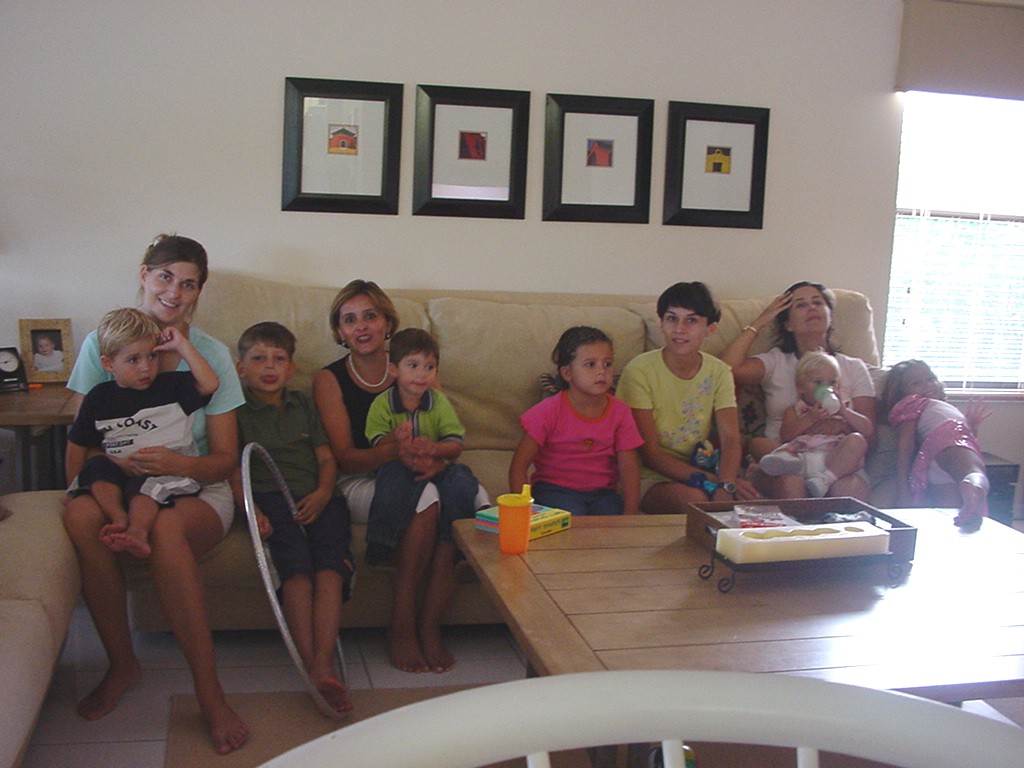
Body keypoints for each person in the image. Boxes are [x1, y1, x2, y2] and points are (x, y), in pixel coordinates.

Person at [63, 234, 249, 754]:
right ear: (144, 275)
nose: (175, 292)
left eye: (189, 284)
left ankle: (209, 693)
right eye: (166, 277)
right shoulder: (104, 343)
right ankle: (121, 665)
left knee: (165, 526)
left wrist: (176, 465)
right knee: (80, 518)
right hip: (122, 478)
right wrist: (79, 490)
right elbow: (83, 435)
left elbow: (224, 459)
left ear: (199, 292)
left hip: (195, 484)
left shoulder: (209, 355)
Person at [312, 280, 475, 674]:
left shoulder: (414, 364)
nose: (362, 327)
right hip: (362, 476)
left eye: (370, 316)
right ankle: (402, 624)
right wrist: (396, 451)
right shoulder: (328, 379)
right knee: (426, 500)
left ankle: (429, 623)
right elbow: (346, 459)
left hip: (420, 467)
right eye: (350, 320)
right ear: (339, 331)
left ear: (388, 322)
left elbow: (443, 429)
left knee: (459, 496)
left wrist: (435, 462)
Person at [230, 321, 354, 713]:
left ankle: (324, 663)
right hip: (271, 499)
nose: (269, 366)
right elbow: (232, 468)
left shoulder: (303, 405)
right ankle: (313, 665)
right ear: (240, 368)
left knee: (330, 566)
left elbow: (326, 459)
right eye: (258, 358)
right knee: (296, 569)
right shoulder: (236, 411)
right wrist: (252, 510)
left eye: (278, 358)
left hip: (319, 498)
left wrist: (322, 493)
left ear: (291, 368)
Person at [363, 327, 487, 672]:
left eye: (429, 367)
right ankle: (382, 548)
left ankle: (432, 619)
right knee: (396, 482)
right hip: (398, 470)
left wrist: (435, 450)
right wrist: (396, 441)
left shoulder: (439, 402)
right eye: (413, 365)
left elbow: (455, 444)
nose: (421, 374)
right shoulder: (382, 403)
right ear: (393, 370)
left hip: (438, 467)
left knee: (462, 482)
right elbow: (376, 444)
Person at [66, 308, 219, 559]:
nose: (146, 368)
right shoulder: (99, 397)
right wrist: (72, 491)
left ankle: (137, 531)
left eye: (152, 356)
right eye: (133, 360)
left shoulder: (172, 386)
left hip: (170, 470)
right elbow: (77, 445)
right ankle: (119, 518)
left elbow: (210, 383)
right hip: (120, 470)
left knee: (145, 484)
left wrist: (182, 345)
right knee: (95, 466)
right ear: (108, 364)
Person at [719, 281, 877, 500]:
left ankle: (825, 482)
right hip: (787, 458)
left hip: (837, 459)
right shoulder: (776, 361)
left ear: (830, 316)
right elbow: (725, 369)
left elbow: (869, 434)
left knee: (849, 491)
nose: (811, 308)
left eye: (817, 302)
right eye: (801, 305)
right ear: (788, 324)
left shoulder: (853, 367)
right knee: (791, 483)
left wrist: (839, 422)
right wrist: (761, 321)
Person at [617, 282, 758, 514]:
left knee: (746, 502)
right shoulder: (639, 371)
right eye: (672, 319)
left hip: (702, 466)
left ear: (710, 329)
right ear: (662, 322)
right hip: (648, 476)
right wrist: (715, 481)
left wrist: (727, 482)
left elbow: (731, 437)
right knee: (694, 501)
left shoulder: (719, 371)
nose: (679, 329)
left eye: (691, 320)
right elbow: (650, 455)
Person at [509, 326, 643, 515]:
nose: (601, 371)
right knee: (573, 515)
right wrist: (523, 512)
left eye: (607, 364)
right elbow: (519, 466)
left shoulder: (621, 412)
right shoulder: (547, 411)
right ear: (567, 373)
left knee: (611, 516)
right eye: (590, 364)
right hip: (553, 490)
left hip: (602, 493)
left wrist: (630, 514)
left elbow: (629, 467)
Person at [882, 359, 990, 530]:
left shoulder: (939, 406)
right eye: (916, 383)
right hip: (949, 436)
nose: (927, 385)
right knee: (972, 472)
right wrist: (903, 489)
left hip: (934, 458)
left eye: (930, 379)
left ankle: (964, 517)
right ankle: (974, 487)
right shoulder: (912, 403)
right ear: (901, 392)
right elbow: (905, 445)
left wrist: (971, 426)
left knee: (948, 516)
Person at [758, 350, 870, 497]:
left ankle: (826, 479)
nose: (826, 388)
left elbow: (868, 430)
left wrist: (844, 412)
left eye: (832, 382)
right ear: (800, 387)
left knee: (857, 440)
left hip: (836, 462)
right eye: (818, 382)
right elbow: (785, 436)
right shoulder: (796, 410)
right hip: (805, 461)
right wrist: (810, 418)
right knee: (786, 453)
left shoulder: (843, 410)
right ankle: (781, 463)